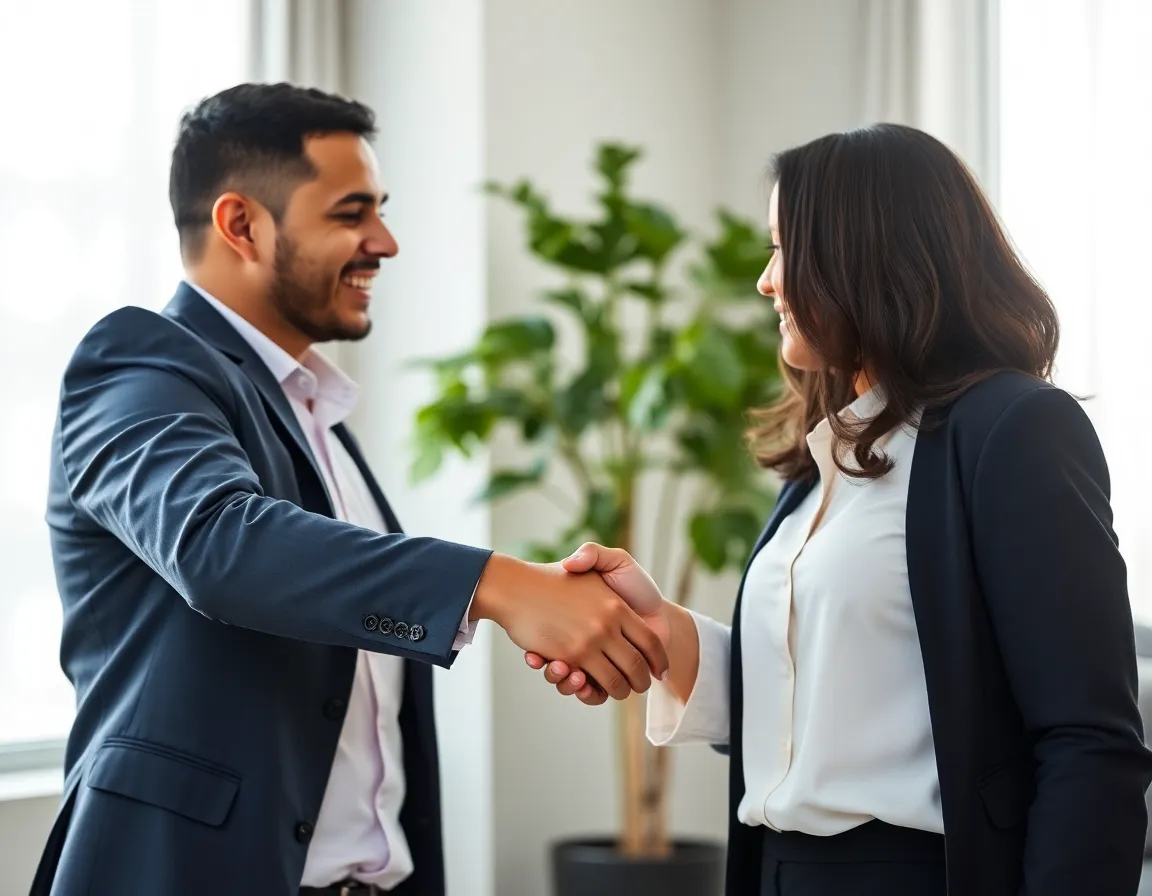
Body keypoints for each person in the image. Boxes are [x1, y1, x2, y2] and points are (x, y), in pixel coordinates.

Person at [31, 82, 668, 896]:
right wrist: (496, 585)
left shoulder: (315, 419)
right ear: (241, 225)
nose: (385, 242)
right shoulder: (138, 362)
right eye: (349, 213)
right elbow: (219, 544)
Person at [529, 123, 1152, 896]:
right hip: (779, 871)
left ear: (865, 255)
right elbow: (818, 709)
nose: (766, 282)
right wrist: (665, 633)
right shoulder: (827, 453)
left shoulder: (1014, 430)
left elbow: (1089, 741)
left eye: (785, 249)